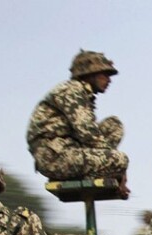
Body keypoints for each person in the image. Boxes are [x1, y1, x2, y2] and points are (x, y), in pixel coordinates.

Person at [26, 49, 129, 197]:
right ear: (90, 73)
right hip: (54, 157)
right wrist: (121, 171)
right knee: (120, 160)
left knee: (113, 125)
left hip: (69, 149)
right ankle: (94, 173)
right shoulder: (72, 90)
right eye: (104, 74)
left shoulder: (83, 94)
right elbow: (88, 133)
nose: (109, 79)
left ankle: (96, 172)